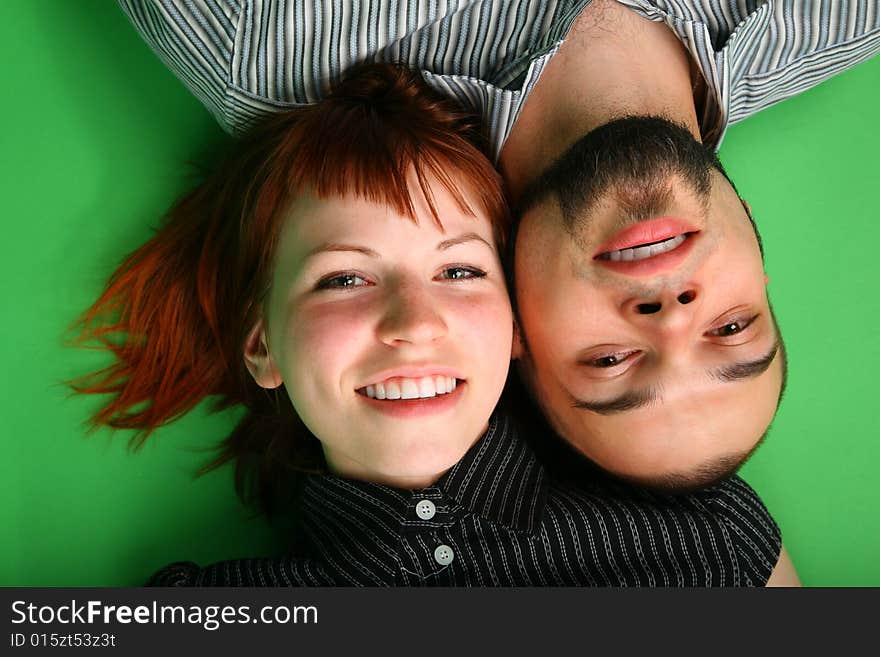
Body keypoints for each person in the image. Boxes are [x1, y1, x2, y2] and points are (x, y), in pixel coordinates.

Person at [68, 63, 787, 586]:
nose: (412, 326)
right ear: (261, 345)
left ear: (516, 324)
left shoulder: (711, 541)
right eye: (344, 278)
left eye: (460, 271)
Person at [116, 0, 880, 488]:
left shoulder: (262, 41)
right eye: (731, 327)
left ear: (518, 326)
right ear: (751, 233)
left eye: (610, 359)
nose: (671, 312)